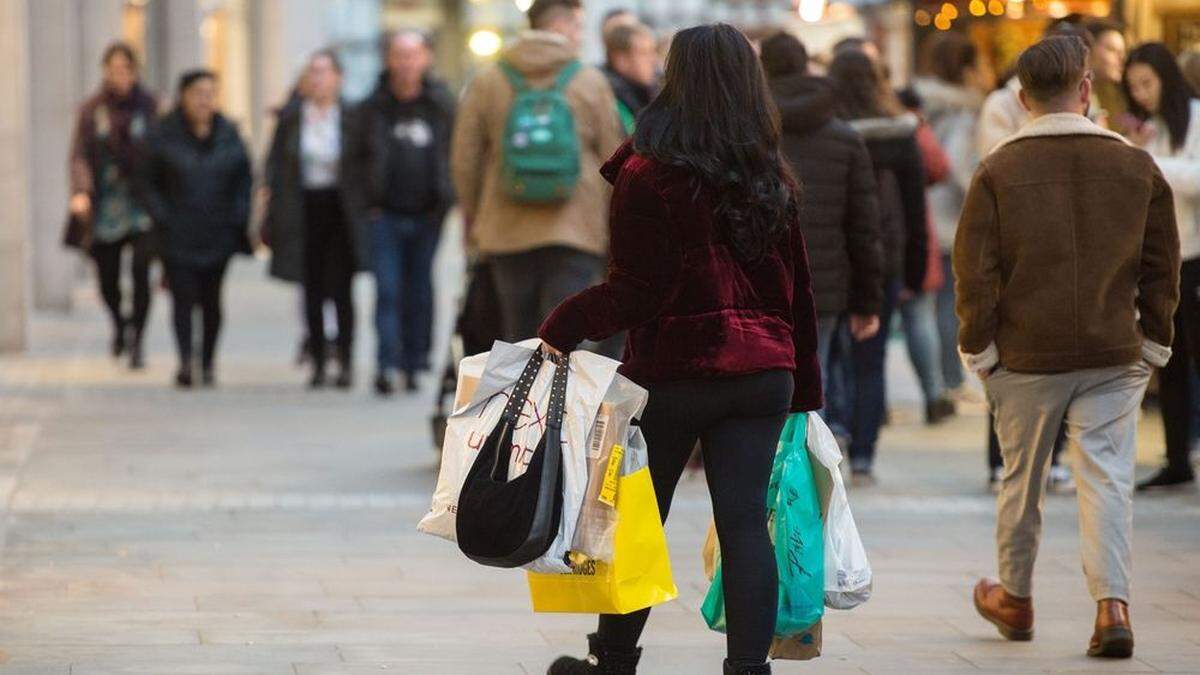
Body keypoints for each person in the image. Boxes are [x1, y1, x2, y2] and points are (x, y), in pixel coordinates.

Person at [540, 24, 820, 675]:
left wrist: (562, 324)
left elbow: (638, 290)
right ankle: (749, 667)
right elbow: (798, 290)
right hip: (763, 374)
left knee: (639, 519)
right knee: (746, 522)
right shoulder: (768, 172)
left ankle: (613, 659)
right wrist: (803, 388)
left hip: (677, 371)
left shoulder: (648, 172)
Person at [959, 35, 1180, 659]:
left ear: (1024, 98)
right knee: (1107, 479)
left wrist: (980, 349)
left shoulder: (998, 169)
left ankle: (1017, 598)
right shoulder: (1136, 165)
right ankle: (1112, 606)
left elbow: (975, 272)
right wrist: (1155, 341)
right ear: (1086, 89)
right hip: (1114, 350)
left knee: (1021, 479)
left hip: (1026, 354)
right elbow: (1163, 266)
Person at [450, 0, 624, 349]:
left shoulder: (489, 79)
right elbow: (614, 158)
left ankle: (523, 402)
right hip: (574, 230)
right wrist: (608, 226)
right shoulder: (590, 81)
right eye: (576, 26)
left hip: (505, 228)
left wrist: (477, 212)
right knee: (565, 337)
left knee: (518, 336)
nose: (579, 35)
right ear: (560, 27)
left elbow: (464, 158)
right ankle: (560, 403)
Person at [759, 31, 882, 401]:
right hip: (823, 285)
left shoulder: (752, 131)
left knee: (764, 382)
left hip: (761, 282)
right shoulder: (844, 137)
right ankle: (808, 457)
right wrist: (867, 301)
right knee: (816, 377)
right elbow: (863, 227)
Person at [828, 48, 928, 484]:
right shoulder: (901, 134)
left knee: (833, 354)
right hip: (885, 257)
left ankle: (836, 429)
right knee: (872, 357)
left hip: (833, 259)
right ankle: (865, 454)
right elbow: (914, 206)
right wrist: (915, 267)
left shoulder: (829, 132)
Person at [355, 31, 456, 396]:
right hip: (385, 216)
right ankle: (386, 363)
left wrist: (447, 198)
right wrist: (367, 205)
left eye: (413, 55)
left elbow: (456, 154)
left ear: (426, 58)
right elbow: (354, 161)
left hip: (429, 214)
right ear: (388, 60)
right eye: (399, 55)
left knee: (420, 289)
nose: (406, 63)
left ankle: (415, 360)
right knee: (388, 288)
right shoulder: (372, 107)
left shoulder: (441, 105)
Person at [142, 70, 252, 388]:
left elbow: (243, 178)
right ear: (184, 97)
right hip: (177, 232)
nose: (204, 100)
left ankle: (208, 360)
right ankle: (186, 361)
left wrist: (238, 216)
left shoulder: (228, 133)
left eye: (210, 94)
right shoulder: (164, 135)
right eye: (198, 93)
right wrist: (162, 215)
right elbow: (147, 181)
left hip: (217, 231)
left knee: (212, 300)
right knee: (183, 299)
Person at [1124, 42, 1200, 491]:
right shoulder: (1149, 129)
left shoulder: (1193, 116)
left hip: (1194, 255)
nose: (1141, 94)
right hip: (1160, 259)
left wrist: (1146, 160)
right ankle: (1176, 458)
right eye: (1134, 87)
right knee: (1165, 358)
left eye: (1147, 83)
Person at [265, 50, 365, 390]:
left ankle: (346, 361)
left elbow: (366, 162)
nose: (317, 79)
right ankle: (319, 361)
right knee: (311, 287)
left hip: (341, 209)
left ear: (338, 77)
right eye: (312, 72)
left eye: (324, 72)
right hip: (303, 206)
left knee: (341, 288)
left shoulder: (352, 114)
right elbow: (275, 164)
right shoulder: (293, 116)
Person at [68, 42, 159, 370]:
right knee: (107, 275)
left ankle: (138, 340)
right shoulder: (93, 110)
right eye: (113, 69)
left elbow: (162, 154)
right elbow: (79, 153)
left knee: (140, 271)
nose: (119, 76)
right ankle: (120, 324)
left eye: (125, 69)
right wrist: (81, 191)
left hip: (141, 203)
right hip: (106, 202)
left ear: (135, 72)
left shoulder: (150, 108)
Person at [912, 33, 985, 412]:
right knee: (947, 303)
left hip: (922, 209)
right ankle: (951, 380)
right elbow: (957, 163)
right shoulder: (964, 109)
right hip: (949, 213)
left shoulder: (920, 99)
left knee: (928, 302)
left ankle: (941, 382)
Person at [603, 22, 659, 135]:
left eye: (653, 51)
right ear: (621, 60)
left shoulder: (646, 92)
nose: (653, 60)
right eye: (644, 53)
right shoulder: (610, 101)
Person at [1085, 19, 1129, 133]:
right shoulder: (1073, 101)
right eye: (1112, 50)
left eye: (1123, 52)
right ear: (1088, 51)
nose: (1121, 59)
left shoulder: (1115, 97)